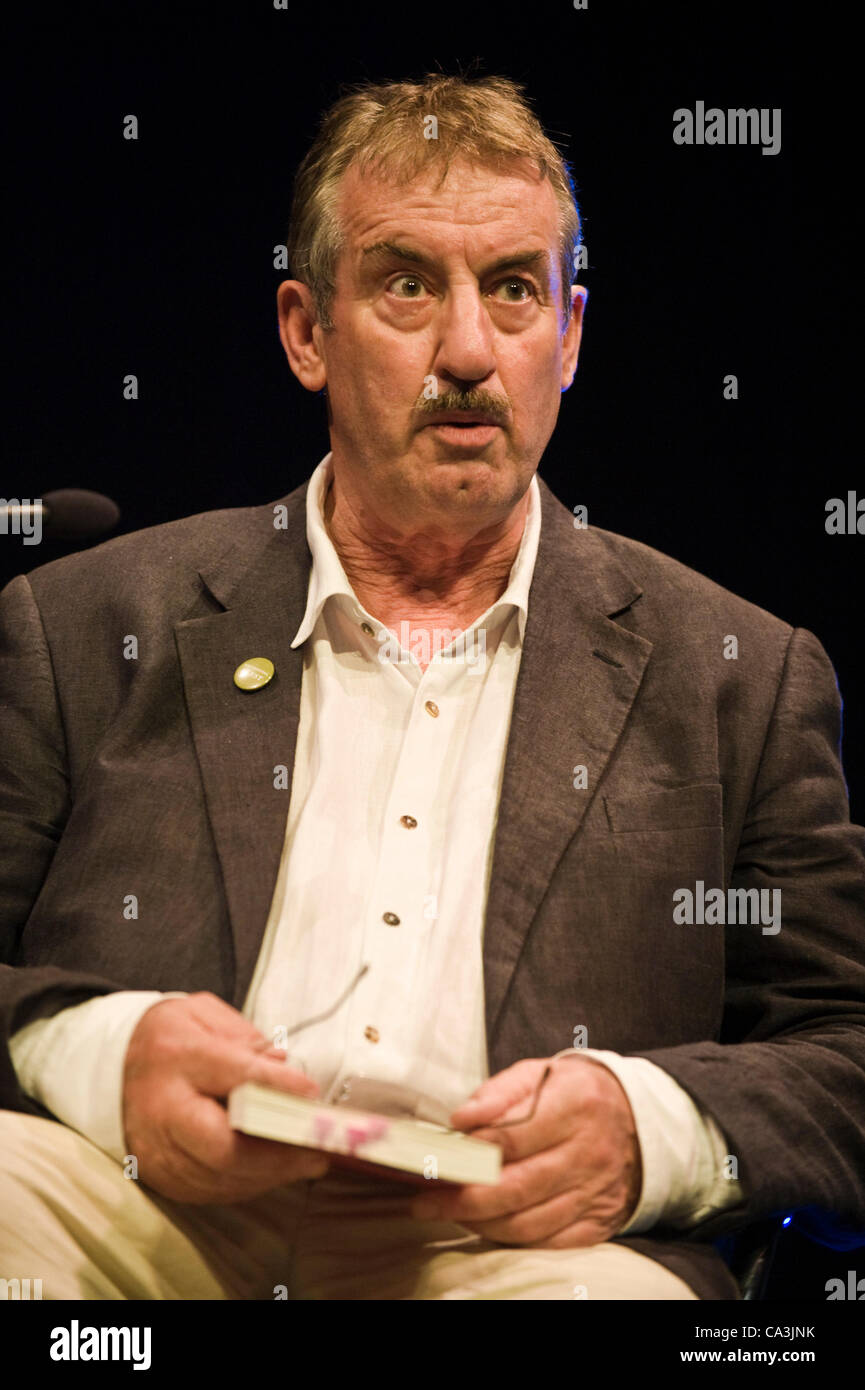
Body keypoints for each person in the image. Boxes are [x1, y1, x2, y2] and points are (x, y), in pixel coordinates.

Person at [0, 73, 863, 1302]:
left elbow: (846, 1051)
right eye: (408, 282)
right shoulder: (82, 624)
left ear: (567, 335)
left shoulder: (740, 674)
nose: (468, 350)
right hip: (134, 1213)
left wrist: (647, 1124)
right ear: (306, 329)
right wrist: (96, 1051)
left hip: (525, 1256)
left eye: (513, 289)